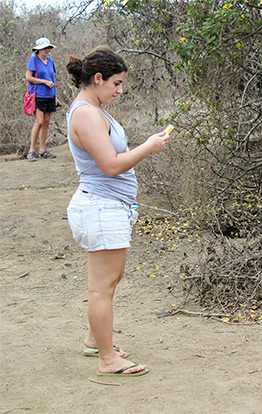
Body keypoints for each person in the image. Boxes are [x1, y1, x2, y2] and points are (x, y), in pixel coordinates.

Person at [65, 46, 170, 377]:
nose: (120, 90)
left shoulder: (94, 108)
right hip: (99, 206)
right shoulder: (85, 113)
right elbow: (110, 165)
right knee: (103, 286)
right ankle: (107, 359)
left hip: (106, 207)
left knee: (110, 280)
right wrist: (148, 147)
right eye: (116, 83)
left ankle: (95, 340)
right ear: (98, 79)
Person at [25, 37, 59, 162]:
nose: (47, 50)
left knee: (46, 122)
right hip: (38, 95)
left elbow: (53, 79)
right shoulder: (34, 60)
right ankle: (31, 151)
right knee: (39, 121)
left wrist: (56, 96)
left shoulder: (50, 61)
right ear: (38, 49)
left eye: (48, 48)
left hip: (50, 95)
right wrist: (43, 82)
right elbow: (28, 77)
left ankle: (42, 150)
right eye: (44, 48)